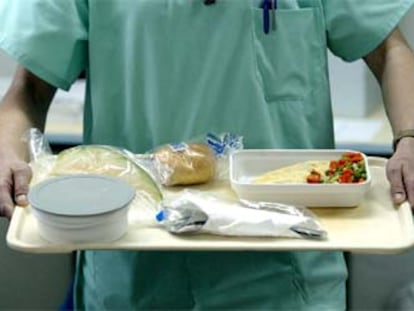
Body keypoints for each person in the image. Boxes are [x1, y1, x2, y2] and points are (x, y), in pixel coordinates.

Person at [0, 0, 414, 309]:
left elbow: (390, 51)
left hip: (288, 274)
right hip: (131, 267)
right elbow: (28, 91)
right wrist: (6, 149)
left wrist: (410, 136)